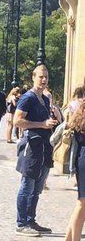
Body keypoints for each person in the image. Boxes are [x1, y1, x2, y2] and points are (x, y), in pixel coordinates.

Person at [14, 65, 58, 236]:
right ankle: (21, 223)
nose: (44, 80)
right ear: (33, 77)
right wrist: (41, 124)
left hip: (45, 148)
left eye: (46, 77)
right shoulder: (28, 98)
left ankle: (31, 220)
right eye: (41, 77)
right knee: (27, 186)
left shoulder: (45, 99)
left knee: (37, 188)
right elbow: (18, 121)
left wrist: (53, 120)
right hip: (32, 147)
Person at [64, 101, 85, 241]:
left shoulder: (80, 111)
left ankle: (69, 238)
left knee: (81, 203)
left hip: (81, 158)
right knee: (82, 203)